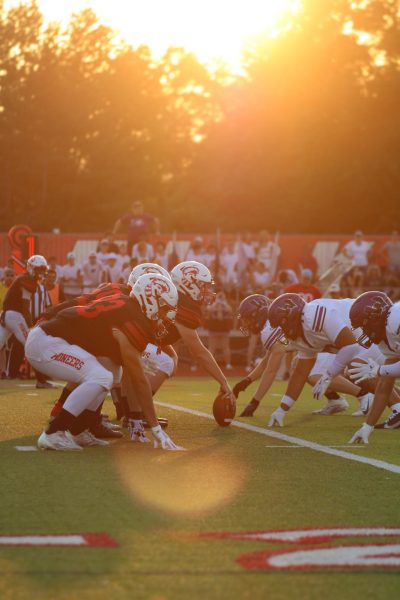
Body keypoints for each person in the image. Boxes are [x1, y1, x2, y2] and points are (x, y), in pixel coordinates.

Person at [25, 274, 182, 451]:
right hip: (47, 342)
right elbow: (139, 381)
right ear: (149, 299)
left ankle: (78, 430)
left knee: (112, 373)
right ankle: (54, 432)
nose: (164, 315)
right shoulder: (134, 318)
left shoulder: (128, 305)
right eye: (163, 308)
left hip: (53, 339)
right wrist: (155, 428)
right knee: (101, 377)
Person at [233, 294, 368, 417]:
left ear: (257, 314)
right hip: (329, 337)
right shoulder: (273, 323)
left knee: (314, 375)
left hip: (342, 332)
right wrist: (246, 381)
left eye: (247, 318)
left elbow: (271, 370)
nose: (246, 323)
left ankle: (364, 395)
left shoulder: (271, 329)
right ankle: (335, 400)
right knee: (299, 365)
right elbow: (267, 361)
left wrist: (254, 402)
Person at [265, 293, 385, 426]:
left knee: (355, 366)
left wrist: (327, 376)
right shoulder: (303, 331)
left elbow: (351, 347)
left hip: (374, 326)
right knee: (360, 369)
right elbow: (300, 373)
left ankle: (392, 406)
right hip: (362, 339)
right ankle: (396, 407)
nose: (283, 330)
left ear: (291, 317)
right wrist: (282, 410)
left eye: (283, 325)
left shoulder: (313, 316)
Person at [347, 292, 400, 442]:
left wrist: (379, 370)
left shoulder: (396, 319)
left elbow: (385, 373)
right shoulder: (385, 341)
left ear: (375, 318)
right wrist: (367, 426)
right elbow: (384, 386)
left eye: (364, 325)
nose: (364, 331)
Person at [204, 290, 234, 370]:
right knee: (215, 347)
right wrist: (218, 303)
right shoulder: (217, 305)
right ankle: (226, 364)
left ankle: (226, 364)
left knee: (221, 347)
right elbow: (209, 311)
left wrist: (220, 304)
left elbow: (223, 314)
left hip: (220, 328)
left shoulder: (224, 306)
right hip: (216, 327)